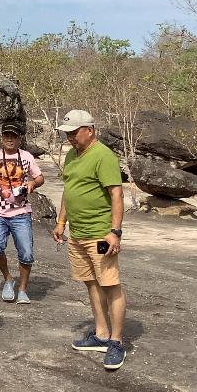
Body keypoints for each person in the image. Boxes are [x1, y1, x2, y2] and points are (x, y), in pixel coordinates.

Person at [50, 109, 128, 371]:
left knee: (110, 284)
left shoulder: (103, 155)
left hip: (100, 233)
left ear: (90, 130)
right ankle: (101, 334)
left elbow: (116, 195)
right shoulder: (72, 155)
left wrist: (114, 231)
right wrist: (61, 222)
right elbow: (68, 191)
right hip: (78, 234)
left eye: (73, 133)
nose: (69, 138)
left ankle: (116, 341)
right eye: (67, 134)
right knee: (91, 284)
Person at [0, 123, 45, 304]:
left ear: (19, 139)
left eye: (13, 136)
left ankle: (22, 288)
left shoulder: (27, 156)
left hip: (21, 212)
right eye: (6, 135)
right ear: (1, 137)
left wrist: (32, 184)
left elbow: (40, 177)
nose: (9, 138)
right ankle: (8, 278)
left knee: (26, 253)